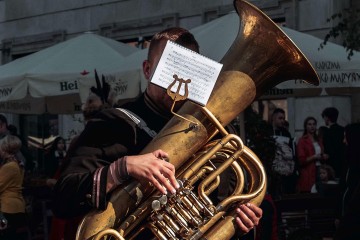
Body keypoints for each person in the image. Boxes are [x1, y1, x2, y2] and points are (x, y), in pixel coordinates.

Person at [52, 27, 262, 239]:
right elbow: (63, 199)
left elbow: (226, 203)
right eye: (170, 65)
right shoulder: (112, 123)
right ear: (147, 69)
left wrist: (238, 221)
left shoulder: (218, 133)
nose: (180, 78)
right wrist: (122, 168)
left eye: (191, 68)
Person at [334, 123, 360, 239]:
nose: (344, 141)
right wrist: (339, 216)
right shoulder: (348, 160)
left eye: (346, 137)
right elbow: (343, 189)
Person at [0, 135, 27, 240]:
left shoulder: (9, 167)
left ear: (4, 149)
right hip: (15, 207)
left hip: (7, 209)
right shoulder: (17, 164)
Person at [270, 108, 297, 199]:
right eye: (280, 118)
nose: (282, 121)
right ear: (273, 118)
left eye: (283, 118)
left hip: (285, 170)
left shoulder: (286, 133)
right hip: (272, 170)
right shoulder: (267, 131)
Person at [296, 116, 328, 193]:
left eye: (314, 124)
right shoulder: (302, 141)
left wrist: (324, 156)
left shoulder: (319, 140)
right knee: (310, 193)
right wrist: (314, 157)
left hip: (320, 169)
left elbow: (321, 153)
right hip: (308, 171)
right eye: (309, 124)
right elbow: (301, 160)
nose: (312, 126)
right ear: (306, 126)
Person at [321, 107, 345, 178]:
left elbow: (328, 150)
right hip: (343, 164)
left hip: (331, 165)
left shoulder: (327, 133)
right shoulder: (343, 130)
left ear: (327, 118)